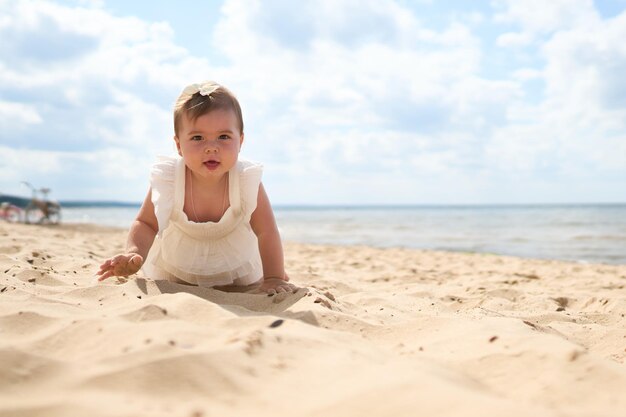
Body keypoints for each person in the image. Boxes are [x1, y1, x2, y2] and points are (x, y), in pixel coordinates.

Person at [96, 81, 297, 295]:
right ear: (179, 145)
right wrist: (133, 253)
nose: (211, 147)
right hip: (178, 270)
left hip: (237, 271)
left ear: (241, 140)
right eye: (198, 138)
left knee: (263, 275)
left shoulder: (245, 179)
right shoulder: (170, 178)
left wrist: (274, 276)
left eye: (224, 137)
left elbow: (266, 231)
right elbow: (145, 223)